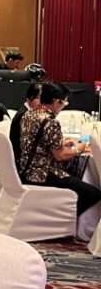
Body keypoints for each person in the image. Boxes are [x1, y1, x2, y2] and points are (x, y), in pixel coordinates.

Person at [19, 82, 101, 215]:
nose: (63, 108)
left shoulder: (29, 115)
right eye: (64, 103)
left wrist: (61, 143)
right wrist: (78, 149)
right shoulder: (50, 121)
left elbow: (37, 141)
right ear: (56, 101)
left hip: (25, 170)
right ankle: (64, 218)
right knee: (92, 193)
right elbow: (60, 155)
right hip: (42, 174)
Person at [9, 82, 42, 171]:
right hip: (22, 161)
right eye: (38, 98)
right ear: (29, 98)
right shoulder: (24, 115)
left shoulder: (29, 111)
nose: (41, 102)